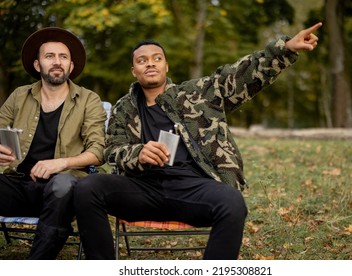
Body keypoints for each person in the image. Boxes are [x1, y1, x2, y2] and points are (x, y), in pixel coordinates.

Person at [74, 22, 322, 260]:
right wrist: (137, 153)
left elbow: (240, 76)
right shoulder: (123, 108)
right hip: (142, 190)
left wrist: (285, 48)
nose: (150, 63)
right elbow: (112, 150)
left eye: (156, 58)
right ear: (134, 70)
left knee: (232, 202)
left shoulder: (197, 94)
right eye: (142, 60)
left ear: (166, 66)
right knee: (87, 187)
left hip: (192, 187)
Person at [0, 27, 106, 259]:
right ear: (38, 65)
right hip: (16, 184)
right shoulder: (19, 96)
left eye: (63, 57)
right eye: (49, 56)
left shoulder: (89, 100)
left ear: (71, 66)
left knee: (63, 184)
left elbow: (98, 151)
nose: (57, 62)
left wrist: (60, 163)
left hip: (61, 191)